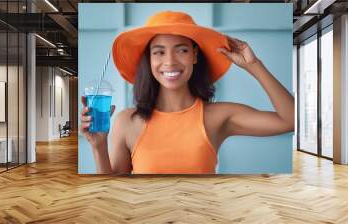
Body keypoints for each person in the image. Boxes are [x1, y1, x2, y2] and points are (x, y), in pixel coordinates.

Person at [81, 11, 294, 174]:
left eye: (181, 50)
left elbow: (290, 120)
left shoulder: (218, 117)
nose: (170, 61)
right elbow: (113, 193)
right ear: (150, 59)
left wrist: (254, 65)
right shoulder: (126, 121)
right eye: (159, 52)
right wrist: (98, 147)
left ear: (194, 55)